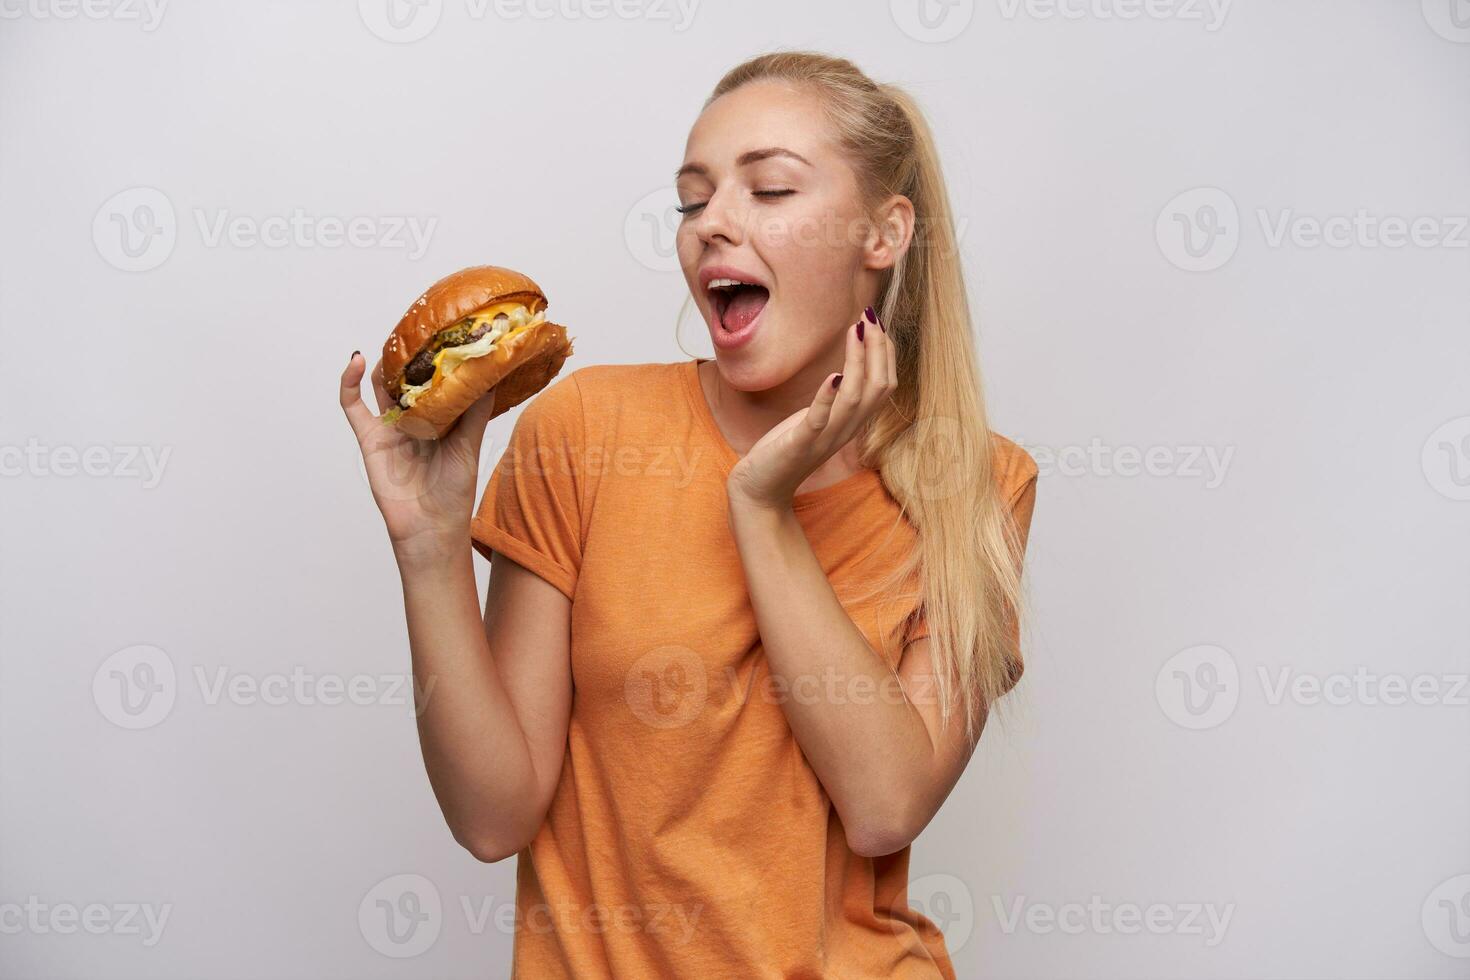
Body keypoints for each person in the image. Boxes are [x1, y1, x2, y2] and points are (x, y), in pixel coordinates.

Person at [341, 49, 1038, 980]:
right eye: (693, 200)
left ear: (884, 232)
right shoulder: (586, 429)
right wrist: (428, 549)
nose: (713, 225)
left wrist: (761, 507)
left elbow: (885, 803)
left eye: (772, 190)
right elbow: (493, 817)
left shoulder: (980, 483)